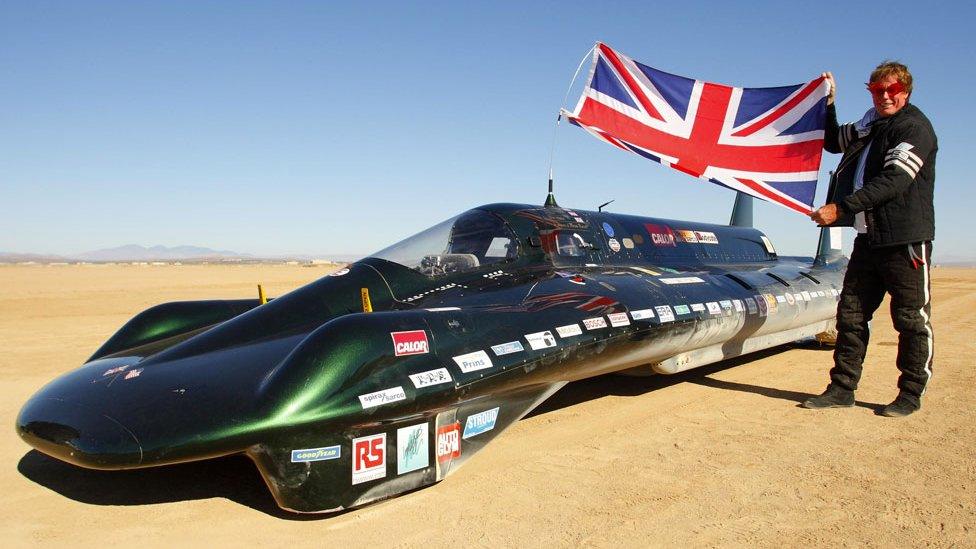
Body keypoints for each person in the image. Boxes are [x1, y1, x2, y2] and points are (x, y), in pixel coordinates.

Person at [803, 62, 938, 417]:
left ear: (905, 91)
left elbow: (894, 180)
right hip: (868, 238)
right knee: (850, 315)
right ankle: (842, 388)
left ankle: (910, 394)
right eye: (877, 90)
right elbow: (833, 141)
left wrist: (841, 207)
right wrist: (828, 104)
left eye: (891, 90)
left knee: (910, 319)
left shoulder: (913, 127)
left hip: (905, 239)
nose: (884, 97)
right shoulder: (869, 123)